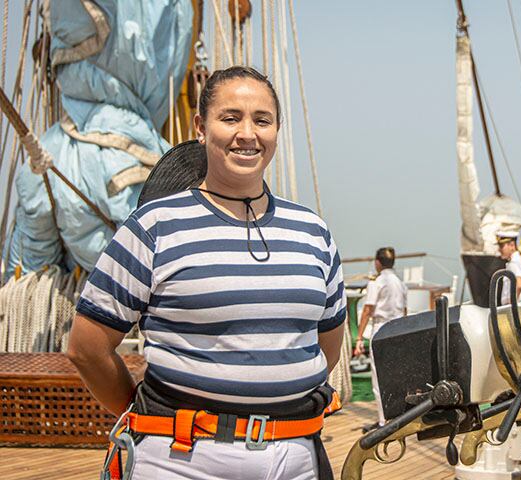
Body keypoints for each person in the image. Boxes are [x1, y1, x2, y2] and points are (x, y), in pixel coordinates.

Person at [67, 66, 346, 480]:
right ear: (201, 127)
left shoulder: (313, 231)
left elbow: (327, 348)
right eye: (230, 118)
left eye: (262, 120)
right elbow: (87, 347)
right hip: (183, 458)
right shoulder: (154, 226)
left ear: (276, 129)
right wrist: (147, 413)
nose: (248, 134)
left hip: (295, 456)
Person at [353, 247, 407, 427]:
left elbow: (368, 309)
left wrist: (359, 337)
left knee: (379, 377)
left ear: (378, 262)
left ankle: (384, 420)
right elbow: (405, 311)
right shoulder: (400, 283)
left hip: (381, 328)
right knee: (397, 375)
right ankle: (400, 415)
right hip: (399, 330)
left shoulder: (376, 282)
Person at [497, 231, 521, 304]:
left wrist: (512, 303)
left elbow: (519, 284)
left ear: (512, 245)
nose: (499, 250)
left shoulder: (513, 263)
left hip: (515, 307)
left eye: (502, 246)